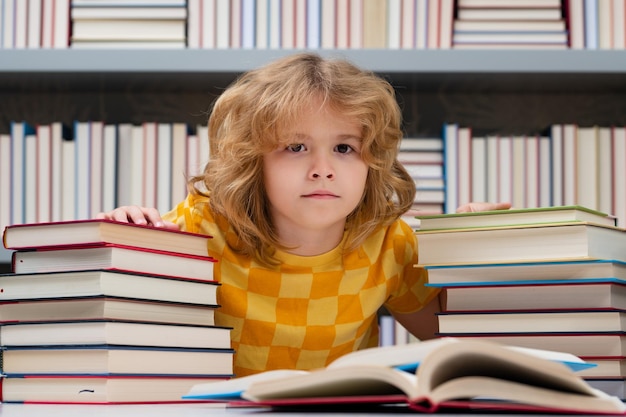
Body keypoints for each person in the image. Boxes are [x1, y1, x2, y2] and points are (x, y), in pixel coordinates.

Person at [97, 53, 510, 377]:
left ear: (373, 162)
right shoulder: (200, 228)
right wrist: (119, 238)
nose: (323, 168)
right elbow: (114, 325)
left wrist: (474, 257)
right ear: (252, 160)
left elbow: (456, 339)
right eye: (296, 147)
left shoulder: (389, 242)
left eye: (344, 148)